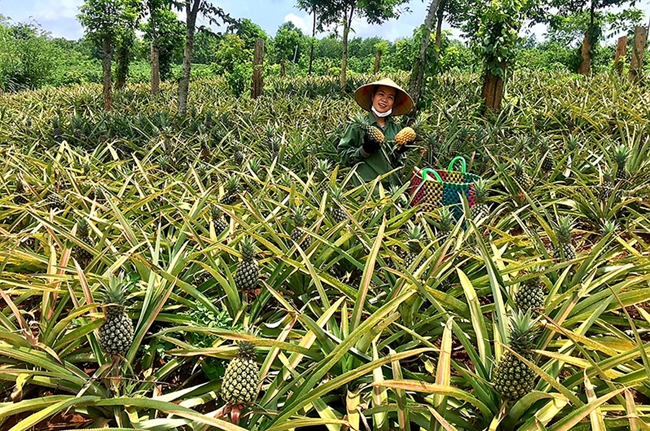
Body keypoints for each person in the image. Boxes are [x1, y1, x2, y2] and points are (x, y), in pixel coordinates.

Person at [338, 78, 416, 187]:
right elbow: (342, 156)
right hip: (366, 189)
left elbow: (398, 164)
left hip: (392, 189)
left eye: (390, 97)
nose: (384, 100)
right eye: (381, 94)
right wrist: (363, 151)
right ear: (372, 97)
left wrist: (399, 152)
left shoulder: (396, 129)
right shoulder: (357, 127)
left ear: (393, 103)